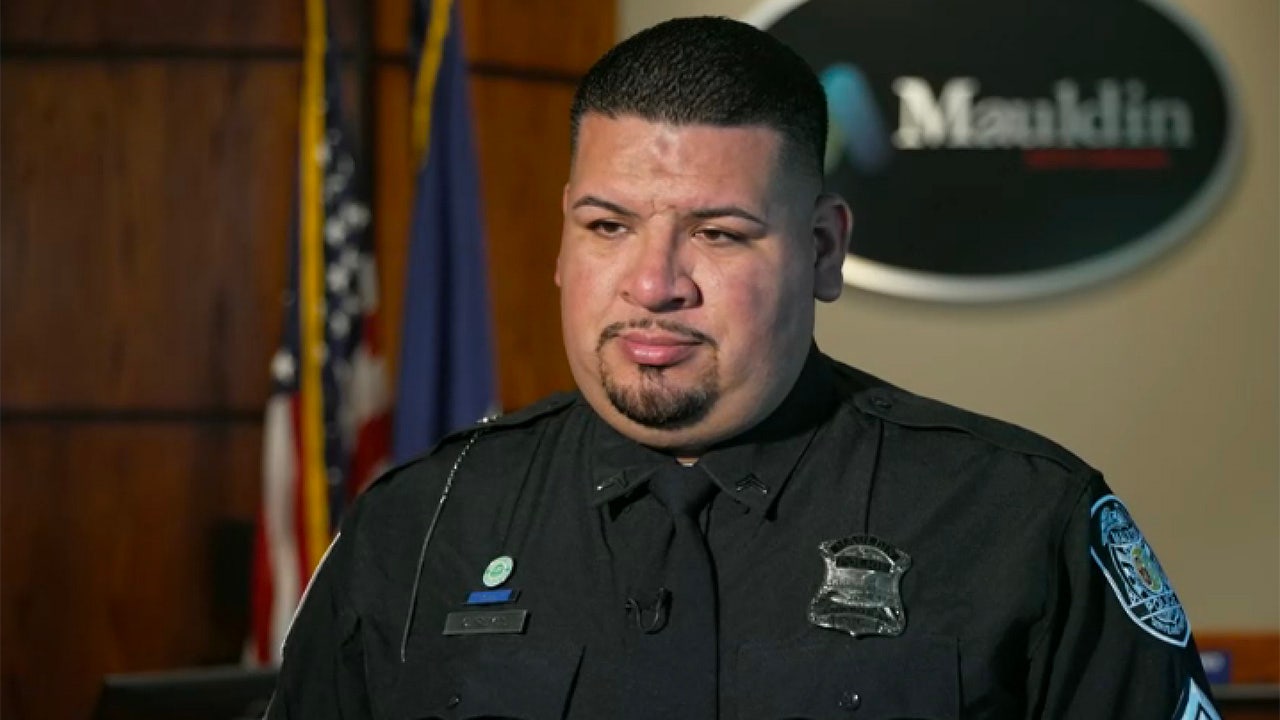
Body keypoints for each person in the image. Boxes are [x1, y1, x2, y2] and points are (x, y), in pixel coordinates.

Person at [267, 16, 1217, 720]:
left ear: (822, 249)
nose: (654, 284)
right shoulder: (419, 524)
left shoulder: (1019, 521)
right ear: (562, 240)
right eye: (608, 226)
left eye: (719, 233)